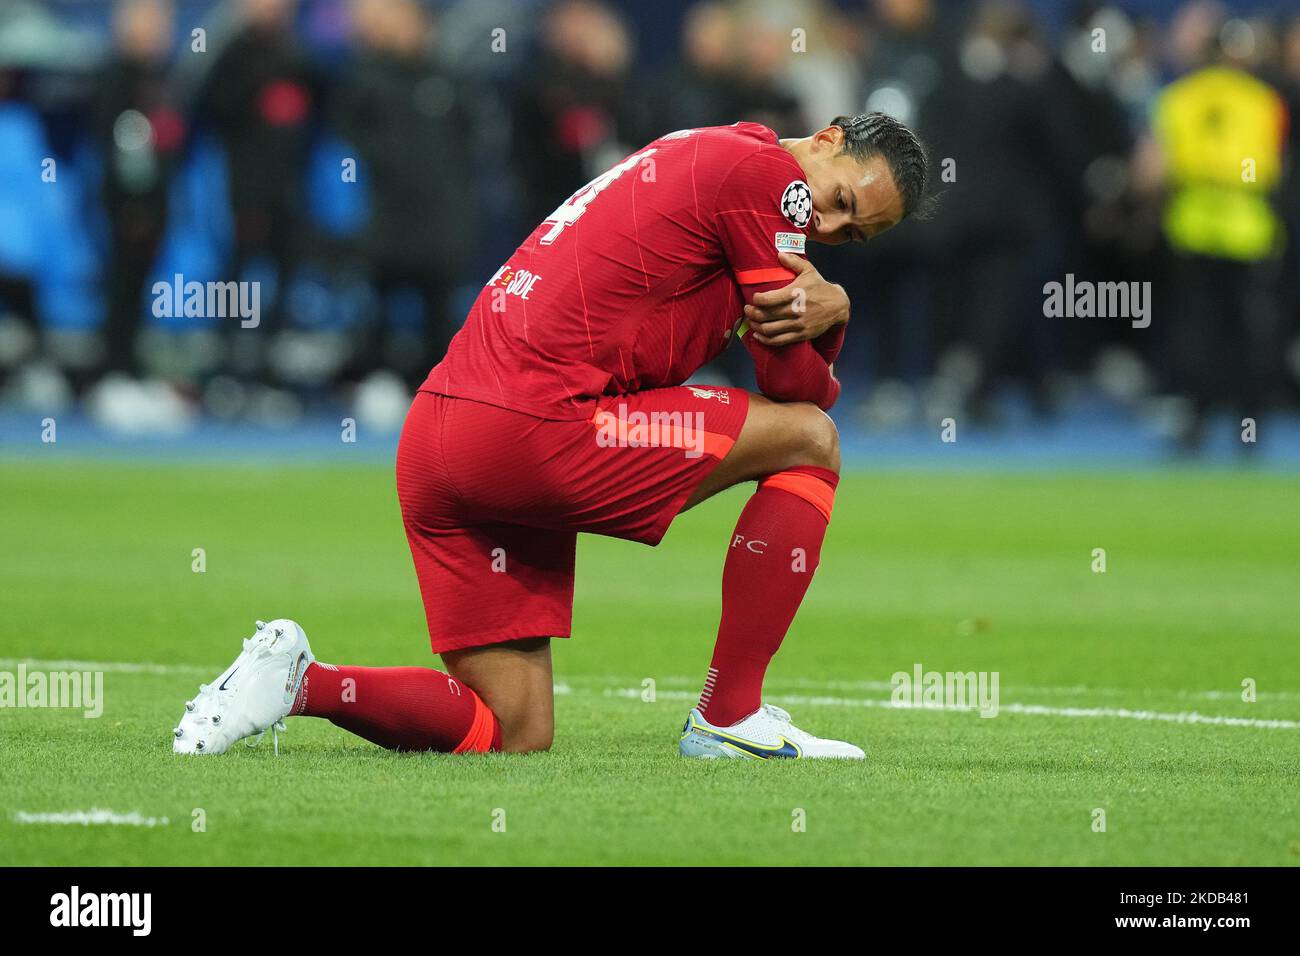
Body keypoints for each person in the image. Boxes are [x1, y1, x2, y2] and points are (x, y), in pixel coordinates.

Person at [173, 114, 929, 761]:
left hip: (442, 434)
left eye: (851, 235)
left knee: (511, 728)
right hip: (535, 427)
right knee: (812, 438)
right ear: (826, 140)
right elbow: (792, 389)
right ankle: (729, 718)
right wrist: (837, 311)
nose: (825, 228)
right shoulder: (767, 175)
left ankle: (300, 680)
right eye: (838, 202)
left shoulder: (704, 151)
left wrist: (820, 304)